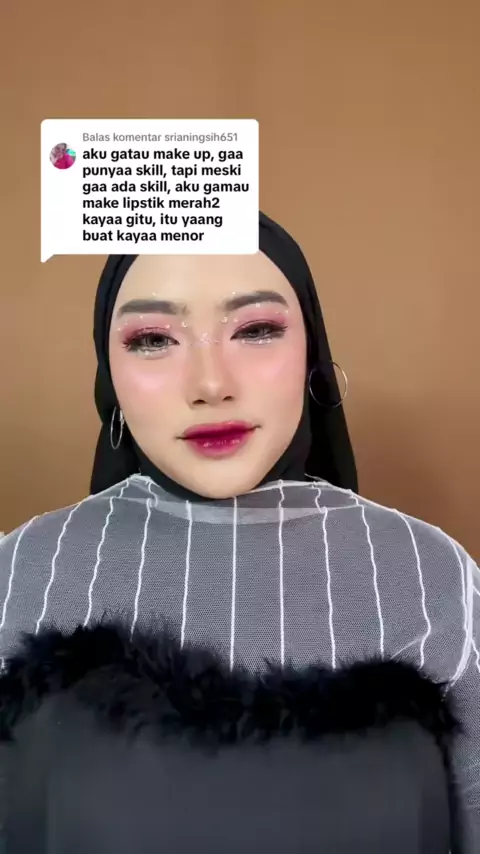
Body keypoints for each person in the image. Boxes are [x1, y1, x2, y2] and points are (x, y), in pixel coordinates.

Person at [0, 212, 478, 853]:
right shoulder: (19, 571)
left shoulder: (434, 576)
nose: (210, 384)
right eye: (152, 339)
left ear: (311, 354)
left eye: (256, 330)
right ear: (107, 375)